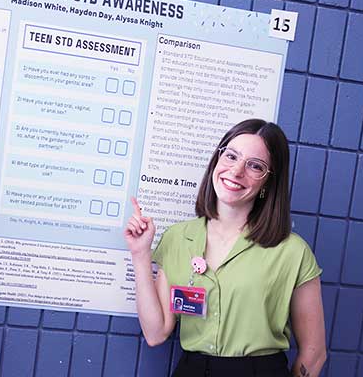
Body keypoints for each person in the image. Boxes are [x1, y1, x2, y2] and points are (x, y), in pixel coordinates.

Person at [125, 119, 326, 377]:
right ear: (216, 160)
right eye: (231, 156)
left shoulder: (293, 252)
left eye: (255, 165)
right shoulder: (178, 238)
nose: (236, 171)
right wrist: (141, 254)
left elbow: (314, 352)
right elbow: (155, 333)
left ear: (268, 182)